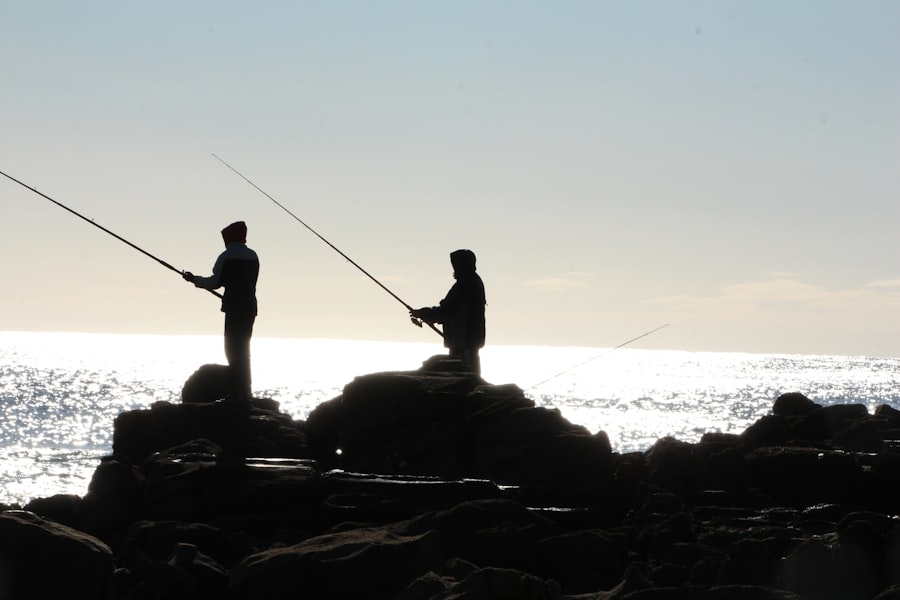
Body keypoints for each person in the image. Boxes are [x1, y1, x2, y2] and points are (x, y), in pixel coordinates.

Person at [183, 221, 259, 402]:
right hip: (249, 307)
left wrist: (194, 279)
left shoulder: (226, 256)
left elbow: (214, 282)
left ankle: (237, 393)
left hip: (233, 308)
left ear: (228, 238)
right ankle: (245, 392)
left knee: (232, 350)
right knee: (244, 350)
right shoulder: (253, 256)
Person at [410, 249, 486, 375]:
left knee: (464, 375)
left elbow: (447, 310)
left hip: (464, 340)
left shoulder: (465, 284)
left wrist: (423, 313)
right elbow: (451, 310)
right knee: (470, 374)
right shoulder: (473, 281)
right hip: (468, 339)